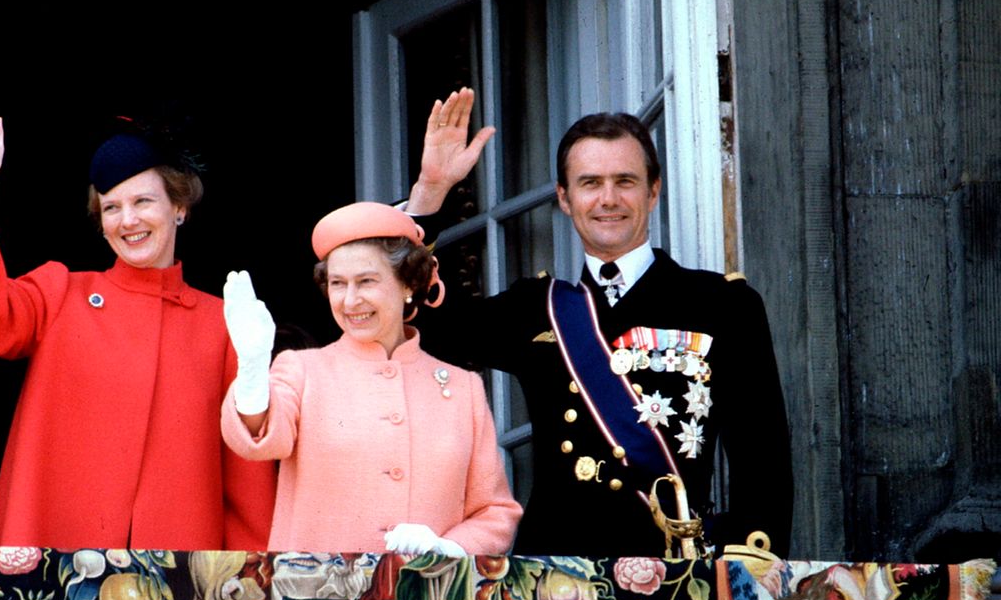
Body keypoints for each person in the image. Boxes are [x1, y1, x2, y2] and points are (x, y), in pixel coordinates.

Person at [409, 102, 793, 557]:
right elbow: (428, 326)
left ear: (653, 192)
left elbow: (763, 463)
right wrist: (430, 193)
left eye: (624, 181)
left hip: (673, 575)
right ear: (565, 198)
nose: (608, 199)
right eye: (590, 183)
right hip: (557, 574)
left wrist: (744, 572)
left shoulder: (722, 306)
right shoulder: (537, 309)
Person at [0, 92, 275, 550]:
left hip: (179, 568)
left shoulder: (221, 324)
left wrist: (249, 575)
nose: (128, 220)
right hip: (59, 559)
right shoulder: (59, 293)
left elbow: (247, 477)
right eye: (111, 207)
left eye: (143, 201)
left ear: (179, 207)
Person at [219, 201, 520, 556]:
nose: (350, 301)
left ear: (408, 283)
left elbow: (494, 512)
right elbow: (260, 438)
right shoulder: (302, 370)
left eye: (366, 281)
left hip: (428, 589)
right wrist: (253, 369)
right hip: (317, 590)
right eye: (337, 283)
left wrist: (447, 548)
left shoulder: (463, 388)